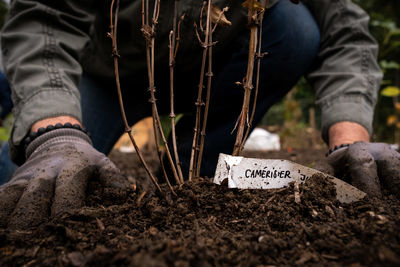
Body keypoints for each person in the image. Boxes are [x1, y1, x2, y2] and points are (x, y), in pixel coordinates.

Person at [0, 0, 399, 229]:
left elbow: (343, 30)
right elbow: (44, 19)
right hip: (104, 69)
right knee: (30, 192)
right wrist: (55, 131)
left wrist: (350, 140)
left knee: (295, 28)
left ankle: (190, 181)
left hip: (209, 75)